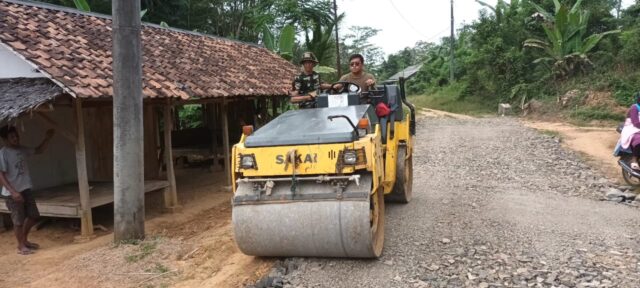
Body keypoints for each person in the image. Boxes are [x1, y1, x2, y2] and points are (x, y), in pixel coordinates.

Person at [0, 125, 55, 255]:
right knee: (18, 221)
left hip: (25, 189)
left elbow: (39, 150)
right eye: (12, 137)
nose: (16, 138)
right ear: (5, 139)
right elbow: (1, 174)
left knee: (34, 215)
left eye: (16, 135)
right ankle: (21, 246)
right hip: (12, 193)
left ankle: (24, 240)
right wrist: (13, 192)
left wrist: (47, 138)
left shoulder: (21, 149)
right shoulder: (3, 154)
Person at [617, 92, 640, 169]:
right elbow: (636, 123)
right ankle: (634, 159)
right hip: (632, 128)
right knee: (639, 139)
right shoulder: (635, 107)